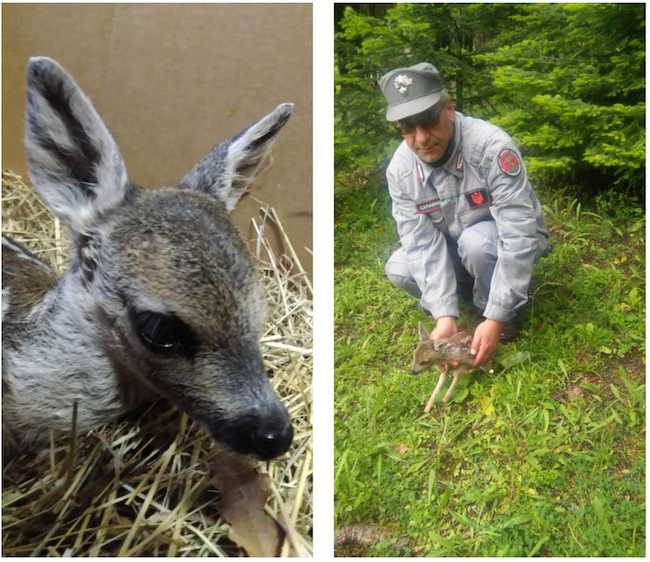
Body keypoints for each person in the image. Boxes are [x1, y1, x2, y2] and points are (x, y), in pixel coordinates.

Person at [380, 62, 550, 369]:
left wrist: (495, 317)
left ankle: (498, 309)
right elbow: (420, 243)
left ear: (448, 108)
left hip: (496, 244)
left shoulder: (491, 148)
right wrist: (443, 315)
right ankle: (466, 299)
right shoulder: (400, 171)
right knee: (399, 266)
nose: (421, 138)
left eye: (428, 119)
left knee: (476, 242)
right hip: (459, 250)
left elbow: (520, 232)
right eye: (407, 126)